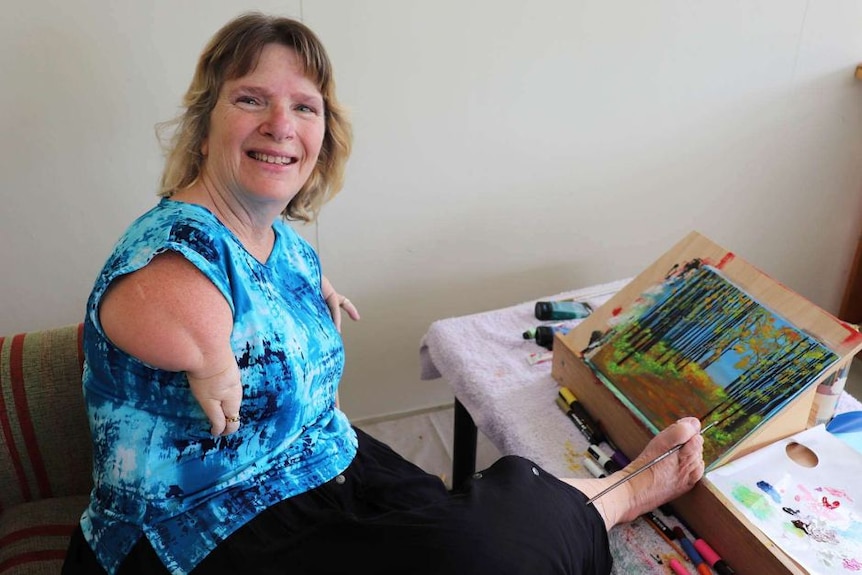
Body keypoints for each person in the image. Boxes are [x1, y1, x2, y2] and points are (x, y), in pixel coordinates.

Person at [62, 12, 705, 575]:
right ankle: (616, 494)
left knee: (495, 542)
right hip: (200, 536)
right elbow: (144, 295)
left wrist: (312, 292)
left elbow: (268, 291)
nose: (281, 123)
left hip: (328, 473)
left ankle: (569, 499)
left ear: (321, 139)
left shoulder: (279, 239)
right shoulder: (171, 244)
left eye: (304, 107)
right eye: (251, 99)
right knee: (502, 556)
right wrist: (209, 351)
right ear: (204, 128)